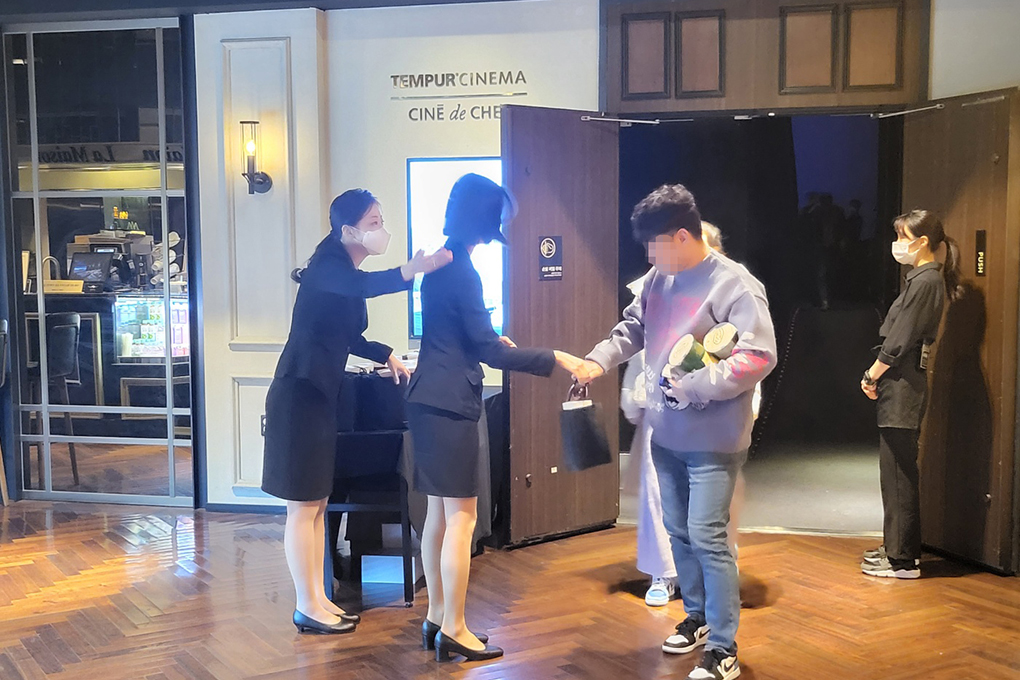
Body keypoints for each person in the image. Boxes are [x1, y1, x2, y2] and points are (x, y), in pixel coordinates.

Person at [576, 186, 777, 680]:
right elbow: (633, 328)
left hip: (715, 438)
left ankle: (724, 648)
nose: (649, 257)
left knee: (709, 537)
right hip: (665, 435)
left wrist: (696, 386)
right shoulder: (657, 280)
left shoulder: (735, 285)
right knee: (679, 532)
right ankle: (698, 617)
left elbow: (758, 356)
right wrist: (597, 361)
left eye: (655, 245)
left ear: (683, 236)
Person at [407, 174, 585, 663]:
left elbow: (458, 336)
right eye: (493, 224)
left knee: (439, 515)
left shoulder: (441, 263)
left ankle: (437, 617)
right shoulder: (463, 272)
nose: (494, 235)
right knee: (462, 519)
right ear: (482, 220)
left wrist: (488, 341)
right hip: (451, 404)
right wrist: (556, 357)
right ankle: (454, 628)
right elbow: (488, 351)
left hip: (426, 398)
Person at [261, 189, 452, 635]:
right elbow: (363, 287)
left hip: (319, 396)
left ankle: (317, 600)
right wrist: (411, 270)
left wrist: (386, 354)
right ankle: (307, 604)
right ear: (348, 230)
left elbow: (348, 336)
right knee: (302, 505)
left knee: (317, 502)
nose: (381, 230)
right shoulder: (329, 266)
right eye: (373, 223)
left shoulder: (342, 270)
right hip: (299, 395)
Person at [859, 209, 961, 579]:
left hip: (902, 383)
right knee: (894, 469)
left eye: (902, 237)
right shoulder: (923, 279)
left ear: (922, 242)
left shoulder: (926, 281)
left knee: (898, 471)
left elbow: (899, 340)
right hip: (899, 382)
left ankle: (902, 560)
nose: (897, 244)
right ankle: (897, 549)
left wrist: (871, 374)